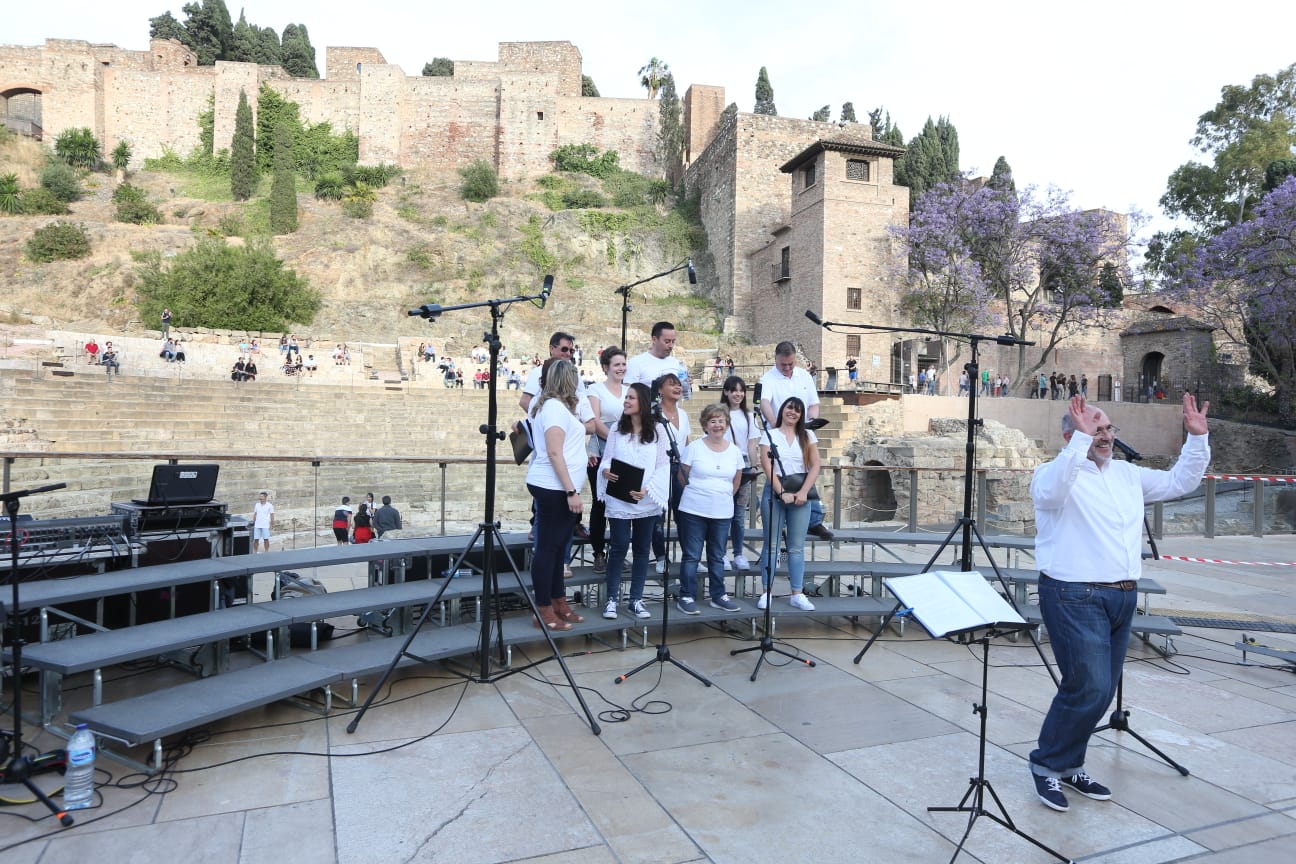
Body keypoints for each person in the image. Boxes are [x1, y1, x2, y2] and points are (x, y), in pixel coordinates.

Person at [1028, 393, 1210, 812]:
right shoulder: (1052, 474)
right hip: (1074, 594)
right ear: (1072, 434)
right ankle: (1046, 765)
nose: (1105, 435)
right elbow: (1053, 494)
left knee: (1102, 690)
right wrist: (1079, 440)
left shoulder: (1128, 474)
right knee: (1087, 685)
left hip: (1122, 595)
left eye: (1109, 428)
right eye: (1096, 428)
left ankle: (1070, 765)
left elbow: (1180, 482)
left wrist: (1197, 440)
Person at [597, 382, 670, 620]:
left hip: (645, 500)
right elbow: (607, 459)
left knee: (641, 551)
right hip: (620, 500)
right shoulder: (617, 430)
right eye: (625, 397)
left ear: (643, 403)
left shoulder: (658, 431)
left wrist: (648, 489)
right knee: (618, 548)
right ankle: (611, 600)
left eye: (631, 398)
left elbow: (663, 466)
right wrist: (606, 471)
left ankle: (636, 600)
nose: (626, 401)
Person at [526, 359, 587, 631]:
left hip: (558, 487)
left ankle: (558, 602)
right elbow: (553, 452)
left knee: (558, 547)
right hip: (554, 488)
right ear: (568, 380)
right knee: (548, 550)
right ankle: (543, 609)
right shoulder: (553, 408)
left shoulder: (559, 407)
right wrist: (570, 490)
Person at [758, 341, 832, 540]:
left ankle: (814, 521)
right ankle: (781, 526)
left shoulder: (804, 375)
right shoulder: (768, 378)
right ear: (776, 360)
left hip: (803, 432)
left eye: (791, 364)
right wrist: (775, 424)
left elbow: (813, 403)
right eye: (783, 365)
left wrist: (810, 422)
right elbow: (765, 402)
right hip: (780, 433)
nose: (788, 368)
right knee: (781, 472)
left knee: (807, 472)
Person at [676, 404, 744, 614]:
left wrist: (720, 496)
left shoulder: (734, 451)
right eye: (712, 421)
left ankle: (718, 595)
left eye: (721, 421)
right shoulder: (694, 447)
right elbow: (682, 476)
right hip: (694, 510)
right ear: (705, 424)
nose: (717, 425)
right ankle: (686, 596)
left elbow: (736, 481)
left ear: (727, 424)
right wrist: (701, 493)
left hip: (722, 512)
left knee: (717, 556)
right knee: (692, 555)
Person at [755, 397, 820, 611]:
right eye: (790, 408)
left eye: (798, 410)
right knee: (771, 544)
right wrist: (781, 492)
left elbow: (815, 465)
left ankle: (797, 593)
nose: (793, 412)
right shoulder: (770, 435)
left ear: (802, 415)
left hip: (801, 491)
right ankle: (767, 591)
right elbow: (767, 465)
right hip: (775, 492)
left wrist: (802, 492)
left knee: (796, 547)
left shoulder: (807, 435)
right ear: (782, 410)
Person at [586, 346, 627, 574]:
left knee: (620, 504)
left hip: (626, 454)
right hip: (601, 451)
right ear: (605, 367)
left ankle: (618, 553)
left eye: (623, 364)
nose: (621, 368)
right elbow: (595, 421)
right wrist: (615, 442)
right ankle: (599, 552)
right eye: (616, 364)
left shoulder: (630, 390)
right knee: (600, 503)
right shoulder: (596, 390)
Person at [649, 371, 691, 574]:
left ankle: (689, 557)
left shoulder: (682, 414)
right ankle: (660, 556)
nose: (677, 387)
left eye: (678, 384)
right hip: (660, 469)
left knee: (683, 514)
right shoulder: (654, 414)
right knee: (658, 515)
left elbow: (687, 442)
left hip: (680, 468)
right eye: (671, 384)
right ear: (660, 390)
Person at [721, 376, 758, 571]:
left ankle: (738, 553)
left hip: (742, 465)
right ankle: (721, 554)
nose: (738, 394)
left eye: (741, 390)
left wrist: (754, 465)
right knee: (723, 514)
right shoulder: (719, 413)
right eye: (734, 390)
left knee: (738, 515)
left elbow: (752, 443)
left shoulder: (749, 416)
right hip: (723, 464)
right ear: (726, 392)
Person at [624, 321, 686, 388]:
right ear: (654, 339)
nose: (671, 345)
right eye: (667, 342)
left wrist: (686, 385)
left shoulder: (677, 364)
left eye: (673, 341)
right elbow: (628, 392)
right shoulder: (636, 363)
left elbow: (682, 392)